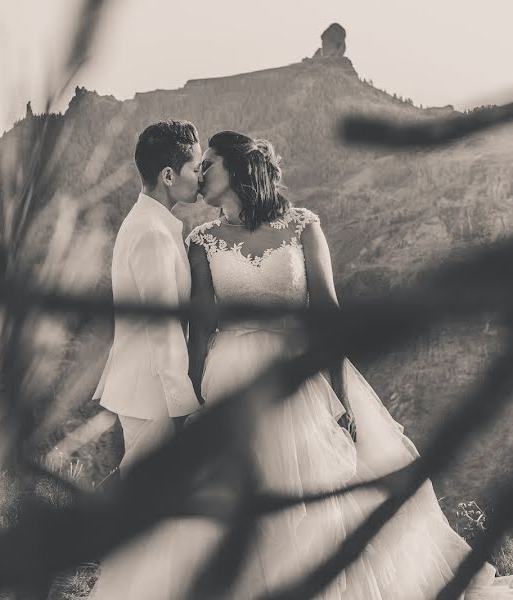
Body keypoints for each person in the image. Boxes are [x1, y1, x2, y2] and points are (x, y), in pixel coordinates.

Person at [181, 130, 512, 598]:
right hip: (232, 380)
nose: (200, 173)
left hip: (299, 377)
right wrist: (195, 396)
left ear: (237, 169)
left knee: (316, 499)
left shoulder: (302, 226)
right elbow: (199, 329)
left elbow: (328, 316)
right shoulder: (202, 240)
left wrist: (340, 396)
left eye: (208, 163)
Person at [87, 120, 215, 599]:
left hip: (146, 388)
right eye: (193, 166)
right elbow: (163, 329)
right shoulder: (154, 235)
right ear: (168, 175)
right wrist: (185, 405)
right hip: (153, 394)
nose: (199, 175)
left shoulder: (150, 223)